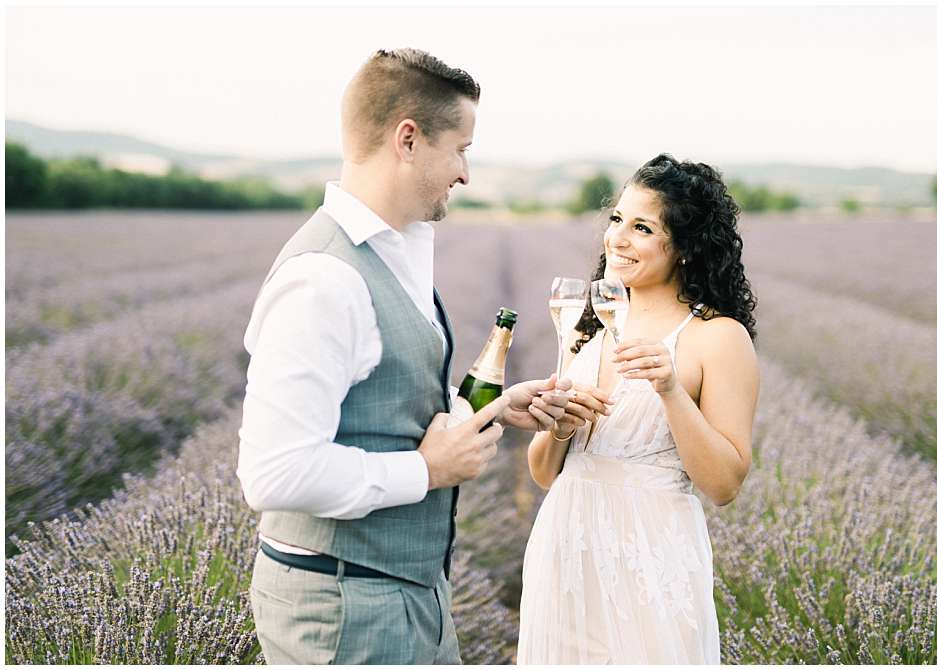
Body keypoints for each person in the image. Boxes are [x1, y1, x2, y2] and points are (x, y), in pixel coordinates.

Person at [236, 48, 570, 665]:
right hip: (345, 608)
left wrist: (491, 410)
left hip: (403, 592)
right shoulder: (323, 280)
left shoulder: (400, 251)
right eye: (461, 148)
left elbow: (384, 399)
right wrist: (426, 470)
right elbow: (273, 473)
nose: (466, 173)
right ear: (408, 139)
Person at [517, 154, 760, 664]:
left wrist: (670, 390)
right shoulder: (593, 327)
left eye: (642, 227)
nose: (617, 239)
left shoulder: (717, 338)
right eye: (616, 220)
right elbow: (545, 475)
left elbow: (724, 485)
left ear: (687, 248)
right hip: (564, 553)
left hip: (652, 562)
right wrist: (559, 426)